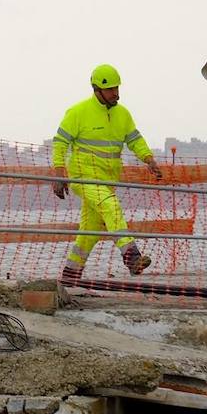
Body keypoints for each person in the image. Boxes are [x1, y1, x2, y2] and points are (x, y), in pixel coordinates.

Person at [52, 64, 163, 279]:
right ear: (97, 89)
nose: (116, 93)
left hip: (108, 181)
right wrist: (59, 173)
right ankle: (132, 257)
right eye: (111, 89)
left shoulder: (123, 114)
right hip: (84, 179)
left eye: (117, 88)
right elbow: (60, 143)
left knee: (89, 232)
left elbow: (134, 139)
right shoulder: (78, 112)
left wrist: (149, 159)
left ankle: (70, 274)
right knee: (112, 208)